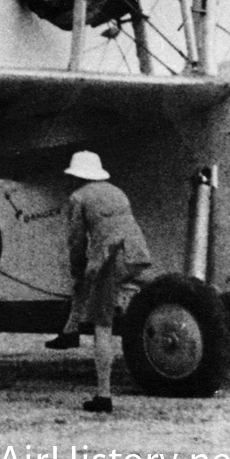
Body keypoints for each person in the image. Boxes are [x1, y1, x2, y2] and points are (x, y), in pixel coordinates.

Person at [44, 150, 152, 414]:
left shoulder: (78, 197)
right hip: (137, 255)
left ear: (77, 175)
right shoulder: (117, 192)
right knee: (91, 284)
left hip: (111, 257)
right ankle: (69, 332)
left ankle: (103, 395)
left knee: (101, 325)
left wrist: (77, 271)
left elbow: (77, 242)